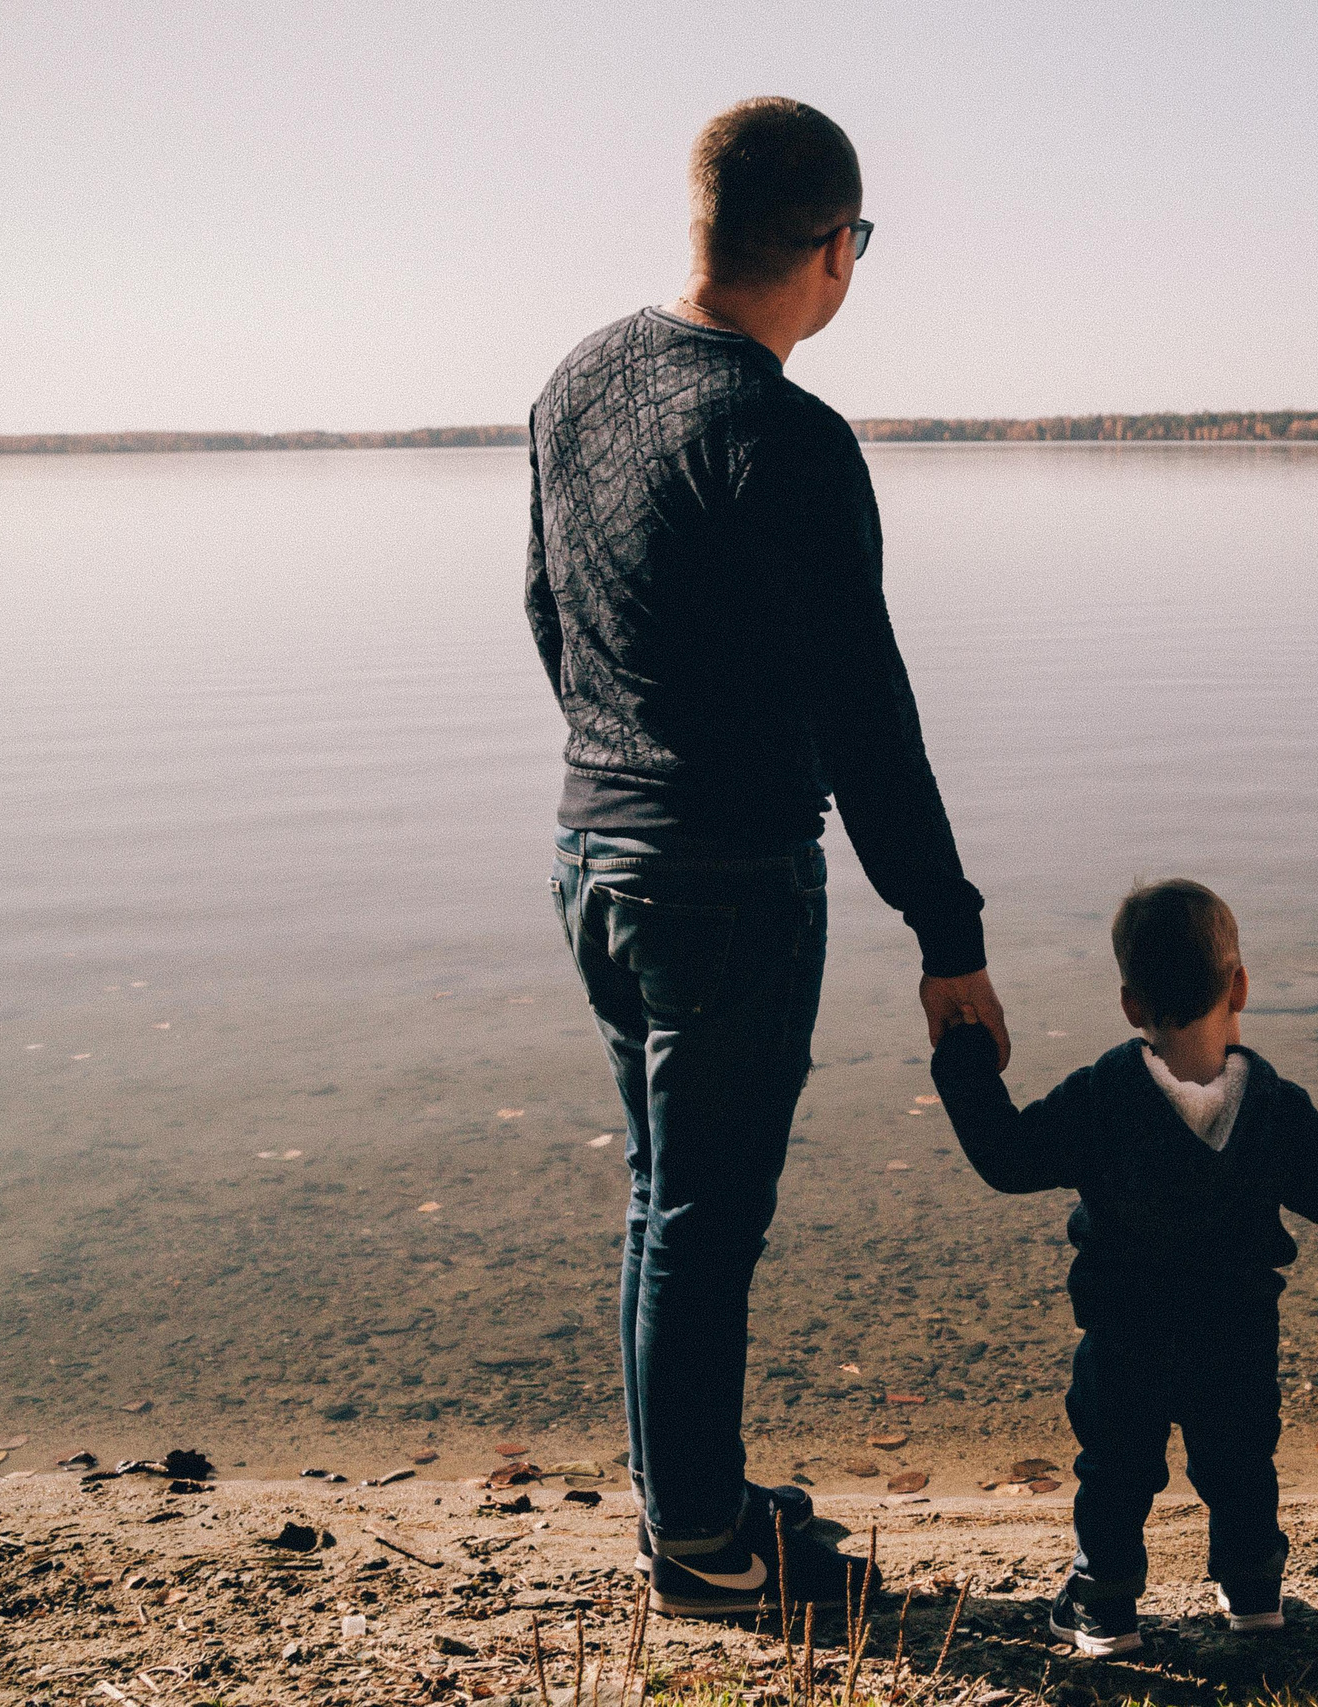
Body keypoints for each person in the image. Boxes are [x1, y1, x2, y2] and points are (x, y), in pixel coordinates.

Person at [526, 97, 1009, 1621]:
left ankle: (695, 1497)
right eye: (860, 242)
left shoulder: (579, 379)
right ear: (831, 251)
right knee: (703, 1215)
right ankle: (712, 1556)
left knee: (662, 1191)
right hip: (723, 878)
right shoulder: (781, 435)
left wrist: (627, 765)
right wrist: (950, 937)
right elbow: (869, 718)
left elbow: (546, 612)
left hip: (594, 849)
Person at [929, 880, 1318, 1655]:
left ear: (1128, 1003)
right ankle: (1254, 1592)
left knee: (1116, 1471)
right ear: (1241, 984)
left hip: (1124, 1337)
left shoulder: (1103, 1094)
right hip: (1239, 1334)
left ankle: (1106, 1602)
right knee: (1240, 1462)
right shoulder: (1273, 1103)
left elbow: (1010, 1157)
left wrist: (962, 1056)